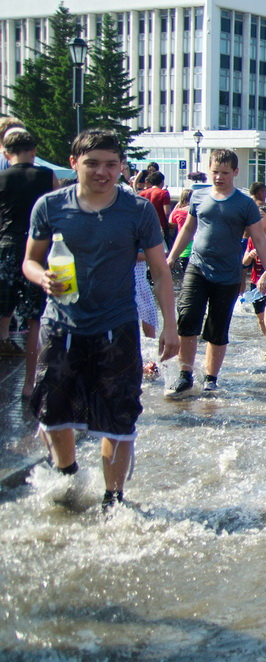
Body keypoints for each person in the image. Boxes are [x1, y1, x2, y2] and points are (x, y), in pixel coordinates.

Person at [22, 128, 179, 511]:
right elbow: (29, 259)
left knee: (118, 416)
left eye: (111, 164)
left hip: (116, 327)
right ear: (75, 163)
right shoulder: (50, 206)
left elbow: (160, 270)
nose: (102, 172)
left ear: (121, 167)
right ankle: (67, 475)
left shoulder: (137, 210)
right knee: (52, 411)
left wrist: (170, 326)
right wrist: (41, 276)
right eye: (92, 163)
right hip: (61, 325)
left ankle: (114, 499)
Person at [165, 149, 266, 396]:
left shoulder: (245, 204)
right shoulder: (198, 197)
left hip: (229, 274)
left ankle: (211, 378)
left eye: (225, 172)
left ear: (235, 172)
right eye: (215, 172)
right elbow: (188, 230)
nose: (219, 177)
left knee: (217, 325)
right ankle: (185, 374)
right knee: (188, 316)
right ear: (209, 170)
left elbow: (259, 239)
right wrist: (170, 257)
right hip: (198, 266)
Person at [0, 129, 56, 396]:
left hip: (6, 248)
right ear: (34, 152)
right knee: (35, 318)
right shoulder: (47, 176)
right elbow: (57, 212)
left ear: (5, 152)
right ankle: (29, 384)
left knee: (3, 310)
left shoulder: (1, 178)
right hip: (39, 250)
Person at [242, 202, 266, 359]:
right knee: (261, 321)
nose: (257, 220)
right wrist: (250, 255)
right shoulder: (252, 238)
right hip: (255, 284)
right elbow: (245, 263)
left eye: (261, 217)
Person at [139, 170, 172, 244]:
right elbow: (167, 212)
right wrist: (170, 226)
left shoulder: (142, 193)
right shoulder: (163, 193)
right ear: (162, 181)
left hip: (145, 226)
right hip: (160, 226)